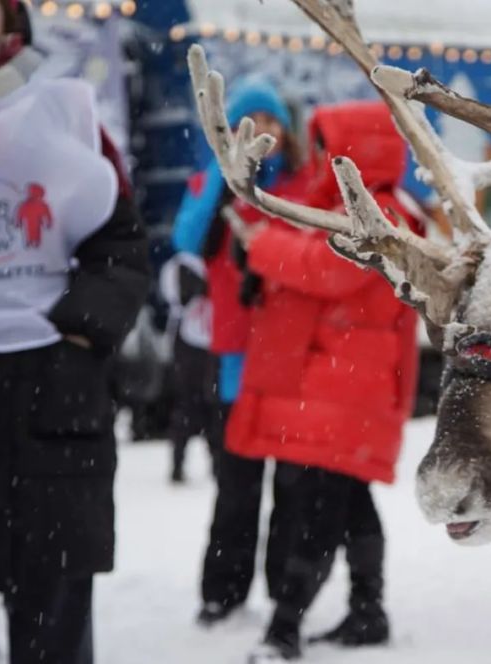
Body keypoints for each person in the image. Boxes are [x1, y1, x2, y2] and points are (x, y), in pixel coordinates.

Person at [0, 0, 149, 662]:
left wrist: (80, 340)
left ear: (13, 17)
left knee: (54, 626)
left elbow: (121, 245)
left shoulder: (65, 111)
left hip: (55, 404)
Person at [227, 100, 422, 661]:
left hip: (347, 382)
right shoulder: (345, 207)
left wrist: (261, 247)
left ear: (353, 155)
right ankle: (368, 610)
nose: (317, 158)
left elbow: (327, 269)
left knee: (319, 504)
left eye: (327, 148)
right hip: (333, 381)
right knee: (347, 497)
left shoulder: (380, 214)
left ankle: (285, 627)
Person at [172, 75, 308, 626]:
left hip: (292, 359)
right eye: (251, 122)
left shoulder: (301, 187)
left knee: (293, 491)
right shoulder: (211, 181)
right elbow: (186, 240)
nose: (263, 133)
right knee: (236, 488)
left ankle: (285, 590)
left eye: (272, 121)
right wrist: (224, 182)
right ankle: (221, 593)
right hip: (234, 362)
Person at [159, 251, 219, 483]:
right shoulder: (183, 262)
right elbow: (174, 295)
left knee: (204, 406)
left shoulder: (181, 263)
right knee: (196, 405)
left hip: (206, 339)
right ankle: (181, 464)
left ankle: (213, 464)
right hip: (194, 339)